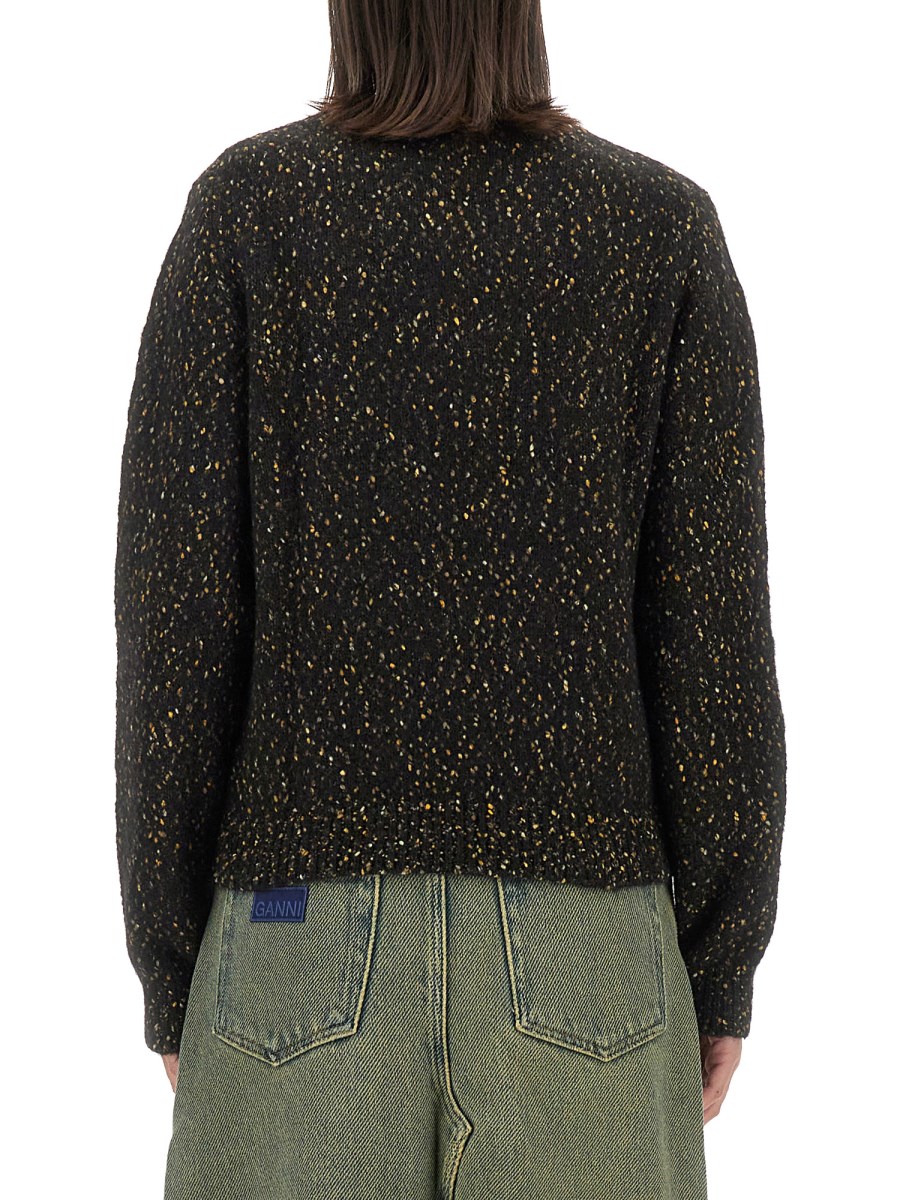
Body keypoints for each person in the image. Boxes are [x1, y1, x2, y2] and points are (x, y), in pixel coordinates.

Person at [114, 1, 787, 1196]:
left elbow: (176, 625)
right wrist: (720, 964)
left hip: (290, 932)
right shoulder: (657, 227)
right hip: (592, 946)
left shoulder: (249, 211)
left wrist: (176, 965)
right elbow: (714, 645)